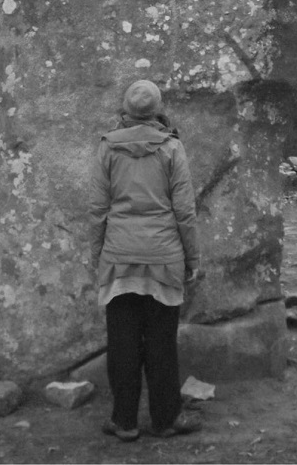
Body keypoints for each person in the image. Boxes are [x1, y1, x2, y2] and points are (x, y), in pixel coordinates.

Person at [89, 79, 201, 441]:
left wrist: (98, 256)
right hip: (163, 258)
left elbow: (97, 210)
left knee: (121, 340)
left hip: (119, 258)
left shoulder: (107, 147)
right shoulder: (172, 148)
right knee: (161, 341)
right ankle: (166, 419)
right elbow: (185, 211)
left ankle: (124, 421)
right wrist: (192, 257)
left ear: (125, 109)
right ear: (157, 110)